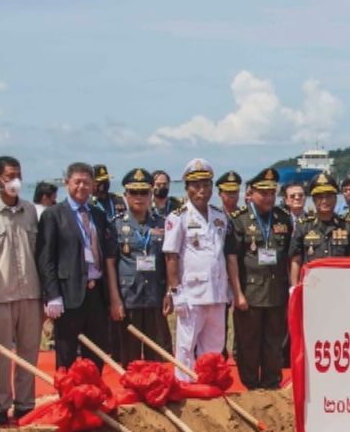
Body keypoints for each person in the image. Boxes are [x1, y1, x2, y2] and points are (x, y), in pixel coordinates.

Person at [0, 156, 44, 424]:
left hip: (30, 293)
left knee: (29, 352)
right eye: (9, 176)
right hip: (0, 296)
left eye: (18, 175)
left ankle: (25, 404)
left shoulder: (30, 211)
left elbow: (39, 253)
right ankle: (0, 405)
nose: (15, 181)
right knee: (0, 355)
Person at [37, 162, 121, 369]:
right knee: (66, 356)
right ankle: (68, 399)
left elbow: (107, 254)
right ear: (67, 183)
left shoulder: (98, 215)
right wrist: (52, 295)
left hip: (97, 295)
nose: (82, 187)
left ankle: (93, 397)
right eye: (77, 182)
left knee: (96, 353)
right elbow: (45, 258)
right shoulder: (53, 215)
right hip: (68, 295)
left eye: (87, 182)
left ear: (93, 185)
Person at [163, 158, 236, 379]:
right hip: (191, 293)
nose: (201, 190)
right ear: (187, 189)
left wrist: (230, 288)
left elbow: (221, 254)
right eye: (196, 185)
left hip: (217, 291)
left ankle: (209, 385)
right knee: (186, 346)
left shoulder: (219, 216)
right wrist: (175, 291)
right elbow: (171, 256)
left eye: (206, 185)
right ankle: (185, 387)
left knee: (215, 344)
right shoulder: (179, 217)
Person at [228, 167, 294, 388]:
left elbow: (290, 256)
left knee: (274, 342)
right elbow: (232, 261)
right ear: (251, 193)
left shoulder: (283, 218)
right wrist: (237, 294)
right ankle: (250, 384)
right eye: (263, 193)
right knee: (249, 342)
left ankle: (271, 382)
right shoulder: (240, 220)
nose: (268, 198)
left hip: (276, 291)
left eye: (271, 193)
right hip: (251, 292)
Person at [110, 169, 171, 366]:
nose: (139, 197)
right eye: (133, 192)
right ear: (125, 195)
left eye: (144, 192)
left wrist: (170, 292)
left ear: (151, 194)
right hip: (129, 297)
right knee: (130, 357)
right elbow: (110, 264)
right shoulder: (116, 225)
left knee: (156, 355)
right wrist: (115, 299)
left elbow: (169, 259)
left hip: (155, 295)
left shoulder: (163, 223)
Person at [290, 172, 350, 277]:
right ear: (313, 200)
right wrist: (294, 288)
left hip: (341, 284)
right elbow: (296, 260)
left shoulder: (348, 225)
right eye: (320, 197)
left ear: (336, 198)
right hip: (312, 285)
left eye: (328, 196)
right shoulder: (303, 226)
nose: (324, 201)